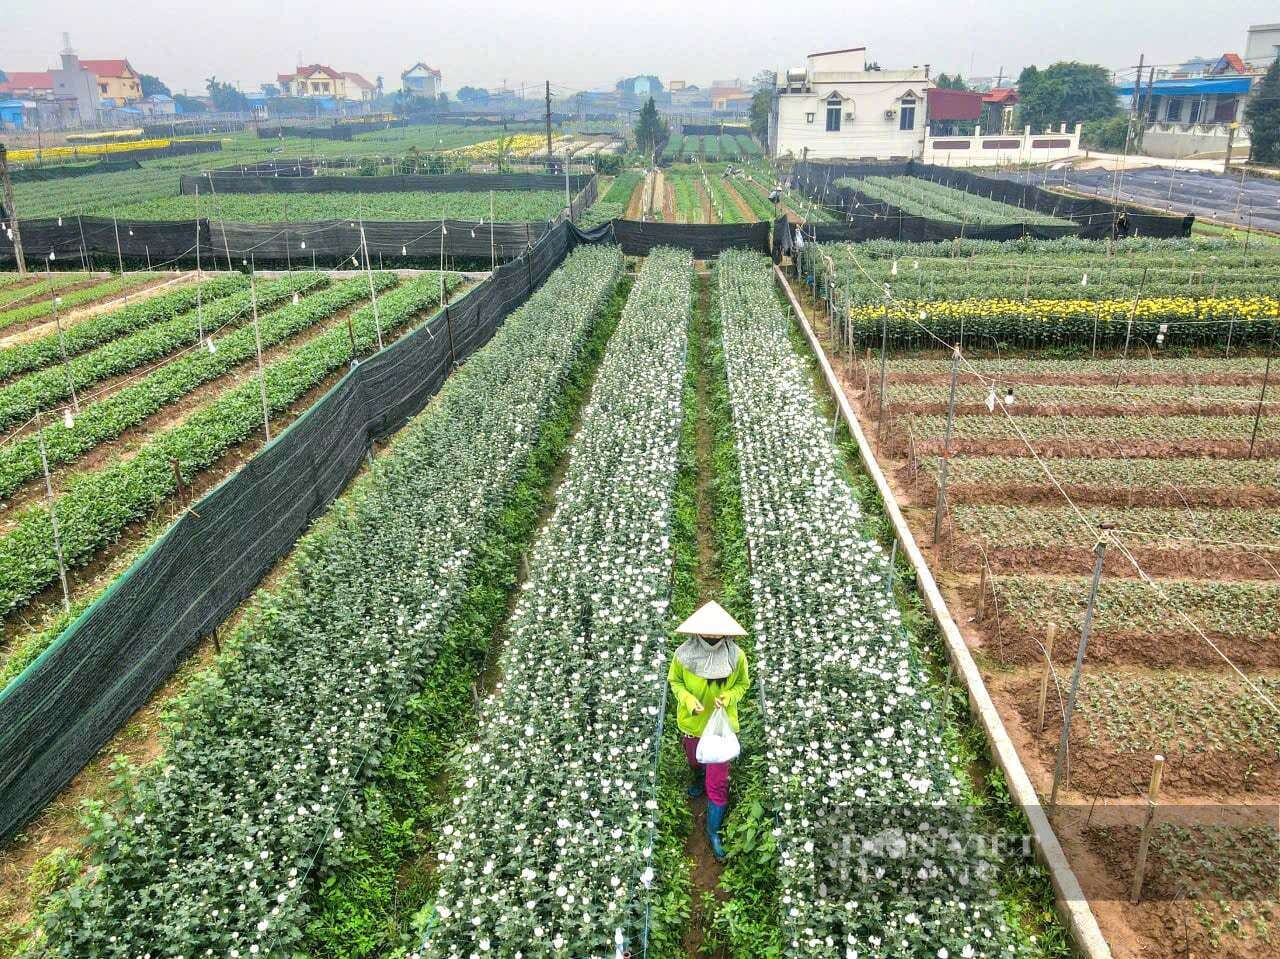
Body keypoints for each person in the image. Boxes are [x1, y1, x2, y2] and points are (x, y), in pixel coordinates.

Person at [668, 600, 749, 860]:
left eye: (718, 631)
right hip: (692, 724)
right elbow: (675, 682)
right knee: (694, 759)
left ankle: (713, 830)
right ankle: (696, 778)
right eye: (708, 630)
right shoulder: (683, 654)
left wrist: (728, 697)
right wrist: (688, 700)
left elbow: (742, 685)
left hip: (719, 731)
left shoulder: (736, 656)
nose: (713, 636)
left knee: (717, 782)